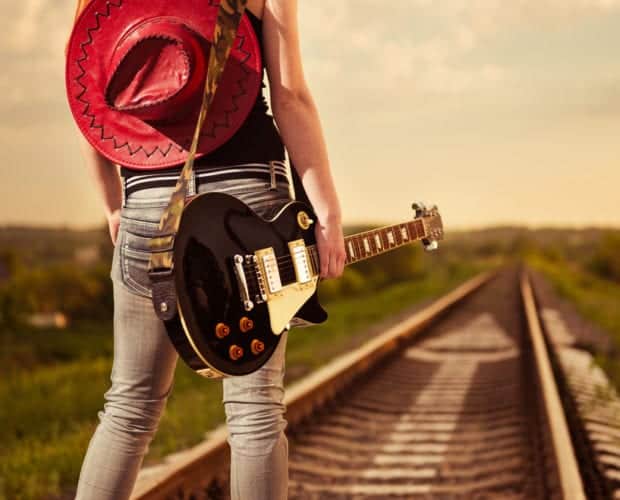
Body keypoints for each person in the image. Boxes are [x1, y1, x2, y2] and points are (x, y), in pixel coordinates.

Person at [66, 0, 346, 499]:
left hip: (148, 202)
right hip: (247, 200)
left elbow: (90, 107)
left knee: (129, 407)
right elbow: (290, 98)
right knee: (255, 410)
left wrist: (115, 204)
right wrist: (327, 212)